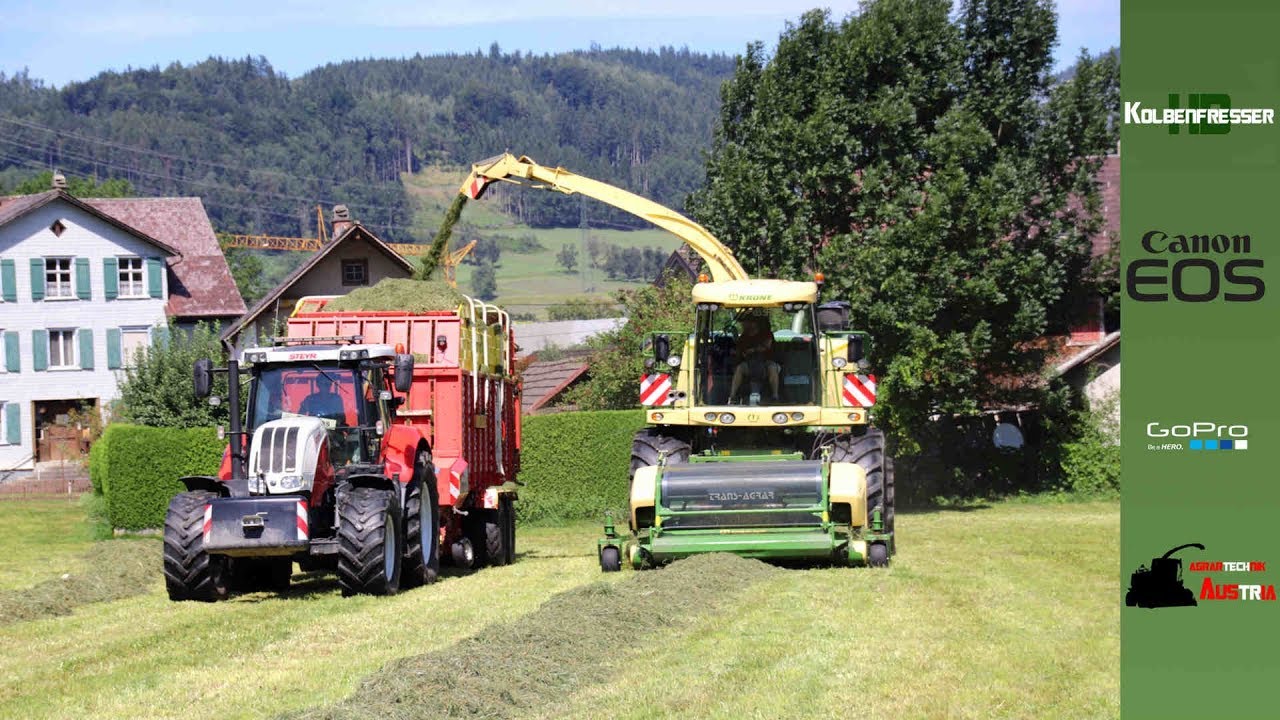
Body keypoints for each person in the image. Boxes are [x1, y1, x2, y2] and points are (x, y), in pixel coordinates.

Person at [728, 315, 780, 404]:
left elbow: (767, 346)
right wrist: (735, 352)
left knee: (772, 368)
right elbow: (740, 351)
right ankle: (732, 397)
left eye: (745, 322)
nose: (743, 325)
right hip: (749, 363)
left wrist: (753, 350)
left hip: (766, 362)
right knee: (739, 368)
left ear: (753, 324)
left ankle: (775, 396)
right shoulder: (743, 337)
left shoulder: (766, 334)